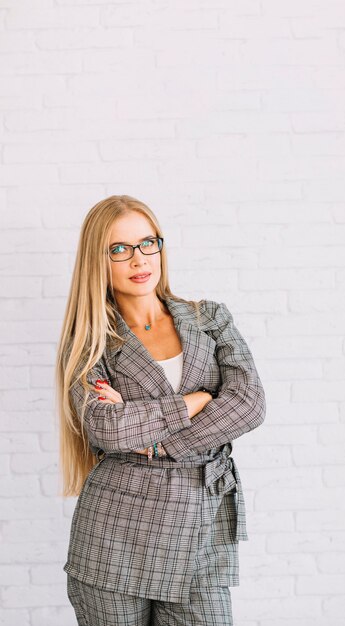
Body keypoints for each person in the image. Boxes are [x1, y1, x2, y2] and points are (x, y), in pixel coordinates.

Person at [55, 194, 266, 626]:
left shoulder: (209, 319)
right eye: (119, 249)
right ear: (98, 260)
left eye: (148, 243)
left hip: (200, 532)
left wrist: (157, 443)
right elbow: (106, 429)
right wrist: (195, 401)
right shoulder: (91, 340)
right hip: (113, 539)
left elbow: (249, 403)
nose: (138, 259)